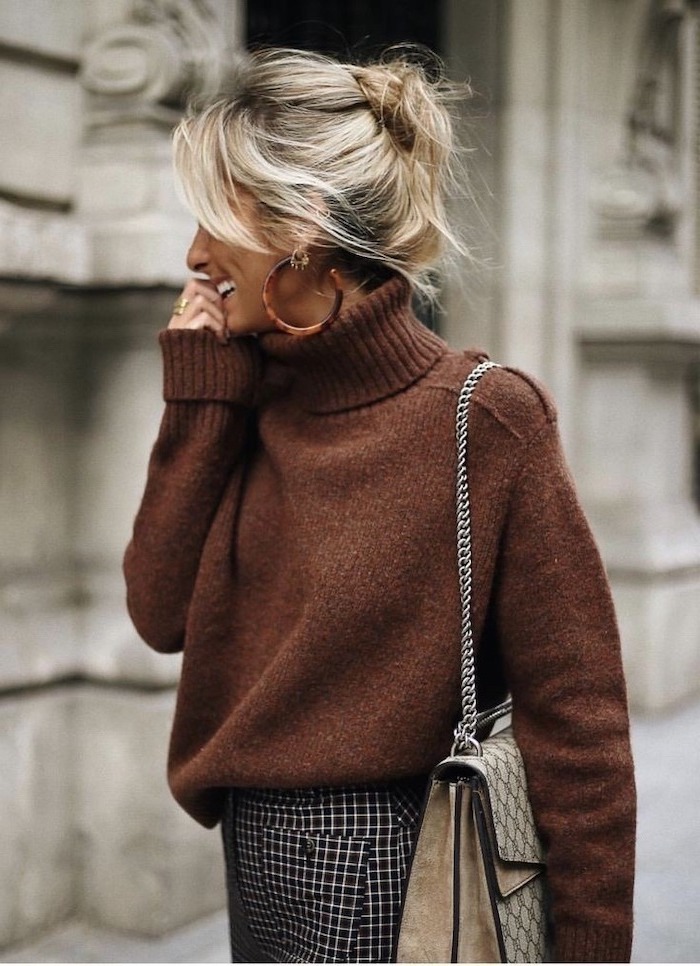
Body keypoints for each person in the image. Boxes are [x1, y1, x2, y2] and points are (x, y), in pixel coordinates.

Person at [123, 47, 636, 964]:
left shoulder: (487, 416)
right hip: (255, 851)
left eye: (213, 221)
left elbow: (578, 719)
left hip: (396, 864)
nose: (195, 256)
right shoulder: (249, 398)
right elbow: (159, 615)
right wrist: (201, 398)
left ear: (302, 226)